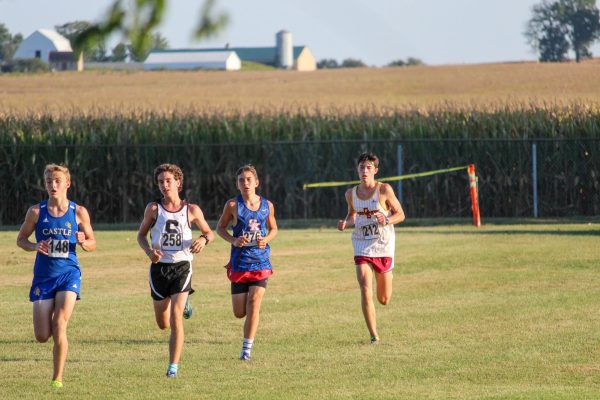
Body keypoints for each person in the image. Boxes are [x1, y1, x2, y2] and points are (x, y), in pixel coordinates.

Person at [16, 164, 97, 388]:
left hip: (69, 274)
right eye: (49, 181)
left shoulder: (78, 212)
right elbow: (21, 239)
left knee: (59, 324)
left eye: (57, 181)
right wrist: (34, 247)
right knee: (42, 335)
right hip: (44, 276)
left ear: (67, 184)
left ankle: (57, 378)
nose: (53, 185)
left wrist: (83, 241)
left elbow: (92, 242)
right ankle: (54, 347)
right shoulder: (36, 212)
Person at [137, 163, 214, 378]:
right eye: (160, 182)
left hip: (182, 266)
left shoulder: (192, 210)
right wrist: (149, 252)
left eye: (168, 181)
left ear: (178, 183)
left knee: (175, 317)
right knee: (162, 324)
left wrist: (203, 239)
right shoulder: (153, 209)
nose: (164, 185)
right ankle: (183, 303)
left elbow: (210, 232)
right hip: (159, 269)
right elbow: (141, 236)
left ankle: (173, 367)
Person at [337, 152, 405, 344]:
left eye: (368, 168)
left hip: (383, 246)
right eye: (361, 167)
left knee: (384, 299)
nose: (364, 171)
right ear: (357, 170)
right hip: (362, 245)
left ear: (375, 170)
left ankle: (387, 275)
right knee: (365, 287)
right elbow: (352, 215)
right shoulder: (350, 194)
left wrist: (387, 219)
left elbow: (400, 214)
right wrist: (346, 223)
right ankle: (374, 336)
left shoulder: (384, 190)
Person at [216, 165, 278, 361]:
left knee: (254, 303)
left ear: (257, 182)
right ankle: (247, 338)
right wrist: (234, 240)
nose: (245, 183)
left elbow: (274, 228)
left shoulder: (267, 205)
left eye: (249, 179)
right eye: (241, 180)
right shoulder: (233, 205)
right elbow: (220, 228)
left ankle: (246, 350)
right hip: (240, 263)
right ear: (237, 184)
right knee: (239, 312)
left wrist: (265, 239)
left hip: (260, 262)